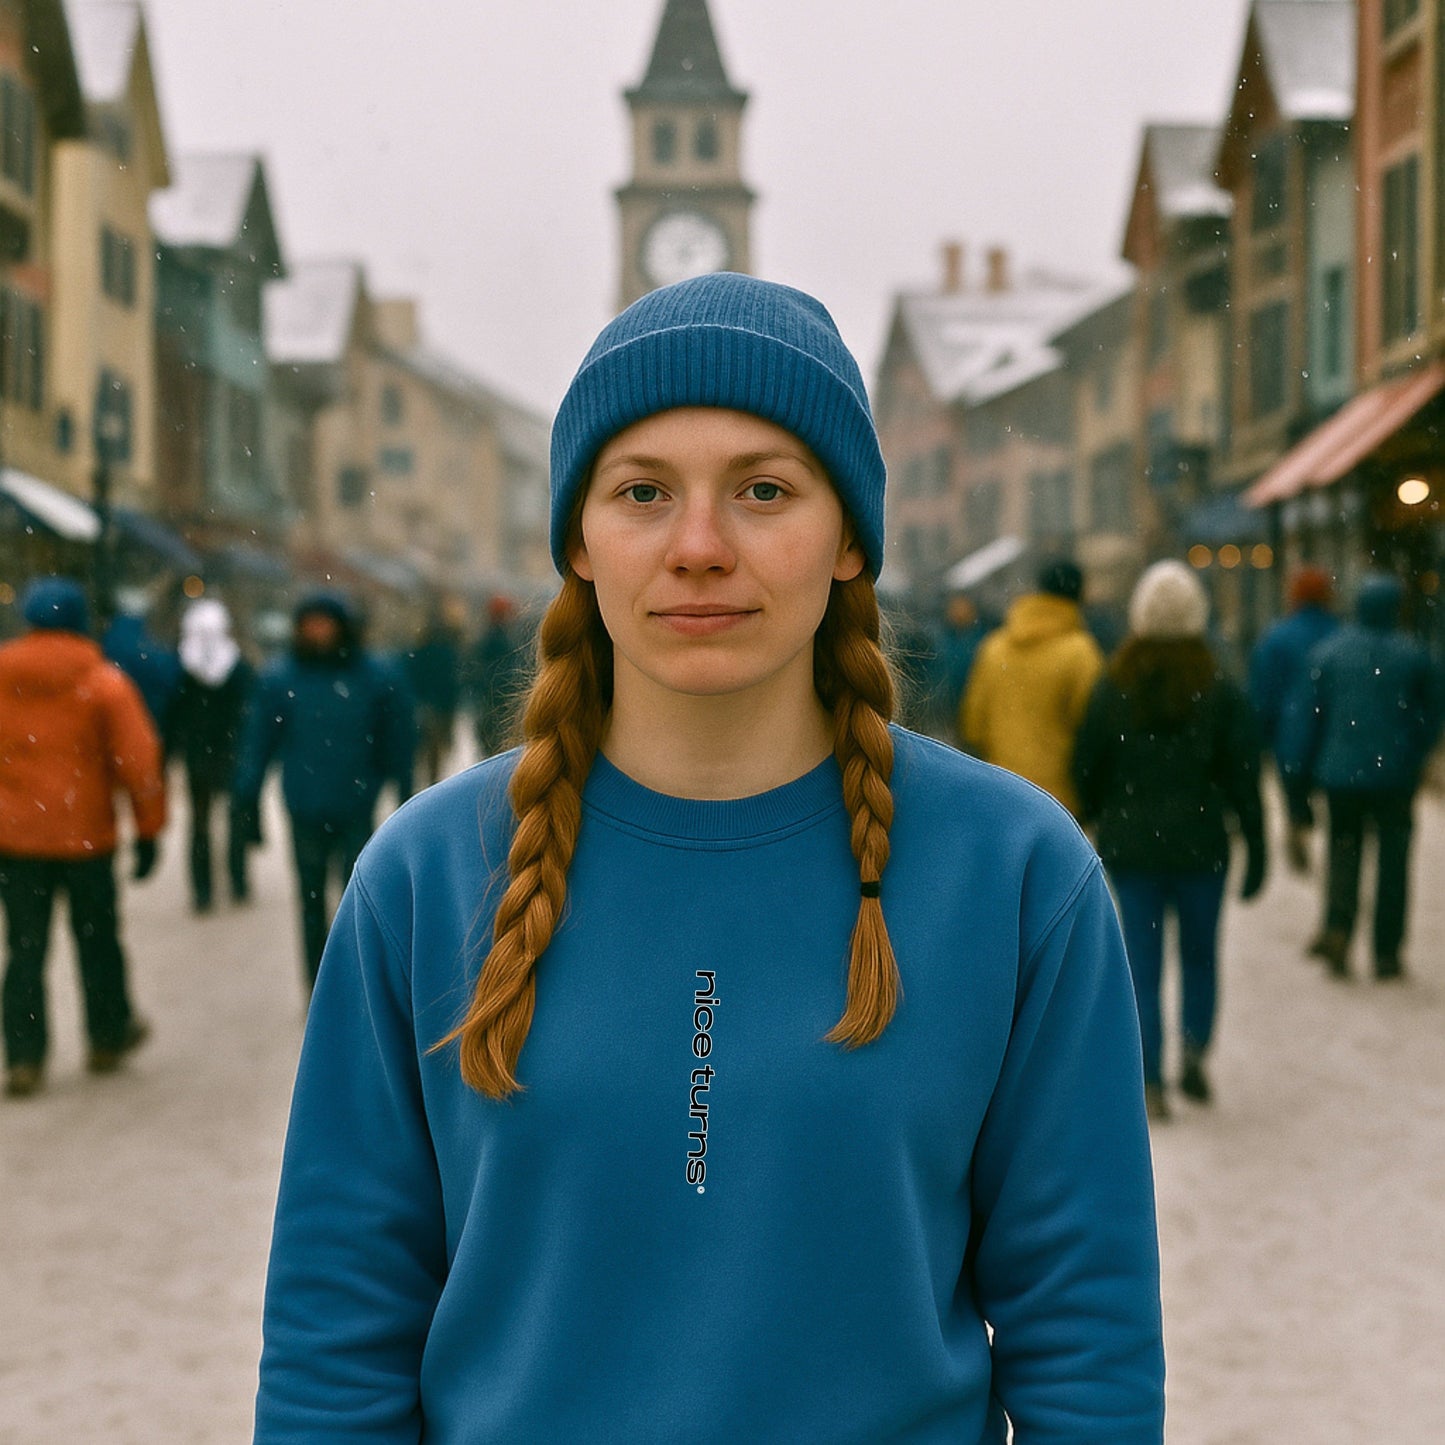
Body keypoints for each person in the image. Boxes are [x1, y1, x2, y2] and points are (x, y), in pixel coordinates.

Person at [253, 275, 1164, 1442]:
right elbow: (340, 1332)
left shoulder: (1018, 875)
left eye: (763, 489)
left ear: (846, 539)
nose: (697, 547)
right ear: (579, 540)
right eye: (642, 491)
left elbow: (1082, 1339)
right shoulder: (427, 878)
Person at [1073, 560, 1266, 1120]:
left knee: (1141, 962)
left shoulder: (1116, 684)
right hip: (1202, 846)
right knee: (1201, 954)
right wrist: (1256, 842)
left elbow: (1089, 765)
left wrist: (1089, 816)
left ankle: (1150, 1075)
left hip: (1132, 848)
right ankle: (1196, 1048)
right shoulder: (1217, 685)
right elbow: (1243, 773)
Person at [0, 578, 166, 1098]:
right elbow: (138, 762)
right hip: (86, 838)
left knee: (25, 948)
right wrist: (149, 829)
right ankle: (106, 1036)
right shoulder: (102, 682)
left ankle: (25, 1057)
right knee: (98, 940)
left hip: (18, 839)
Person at [232, 590, 415, 992]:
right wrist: (247, 798)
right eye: (309, 624)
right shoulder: (281, 678)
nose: (317, 632)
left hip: (356, 804)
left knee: (359, 903)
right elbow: (258, 742)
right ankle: (316, 988)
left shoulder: (376, 677)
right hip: (305, 805)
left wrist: (406, 794)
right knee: (311, 903)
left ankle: (357, 989)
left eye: (324, 623)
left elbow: (399, 739)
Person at [1278, 572, 1444, 980]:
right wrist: (1413, 752)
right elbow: (1432, 715)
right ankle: (1386, 950)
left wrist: (1298, 777)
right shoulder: (1414, 655)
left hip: (1341, 776)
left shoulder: (1329, 654)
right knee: (1393, 862)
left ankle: (1339, 927)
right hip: (1395, 779)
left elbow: (1307, 720)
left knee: (1343, 852)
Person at [960, 556, 1104, 816]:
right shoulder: (1081, 653)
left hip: (1003, 793)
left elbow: (973, 727)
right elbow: (1092, 731)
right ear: (1080, 597)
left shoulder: (994, 648)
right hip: (1059, 805)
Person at [165, 597, 254, 912]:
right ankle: (237, 881)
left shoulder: (182, 668)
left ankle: (205, 890)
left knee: (202, 823)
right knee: (232, 820)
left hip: (200, 755)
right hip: (229, 752)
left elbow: (172, 715)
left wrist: (169, 752)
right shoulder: (238, 667)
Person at [1248, 564, 1338, 760]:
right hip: (1335, 747)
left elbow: (1263, 696)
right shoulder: (1339, 635)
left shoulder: (1276, 639)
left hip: (1290, 742)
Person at [102, 585, 180, 735]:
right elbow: (169, 674)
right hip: (149, 717)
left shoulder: (109, 640)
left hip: (117, 719)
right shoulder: (147, 649)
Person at [404, 608, 463, 787]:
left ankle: (422, 784)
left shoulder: (419, 652)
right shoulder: (448, 652)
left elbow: (412, 677)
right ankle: (432, 782)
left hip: (425, 704)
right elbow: (452, 682)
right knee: (434, 752)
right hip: (438, 706)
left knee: (419, 750)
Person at [464, 595, 528, 758]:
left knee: (488, 752)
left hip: (490, 703)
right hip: (498, 704)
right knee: (496, 750)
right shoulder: (501, 641)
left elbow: (475, 673)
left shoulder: (488, 639)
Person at [929, 590, 989, 746]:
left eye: (963, 606)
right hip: (943, 709)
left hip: (971, 706)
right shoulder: (938, 637)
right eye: (954, 606)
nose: (958, 612)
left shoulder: (983, 640)